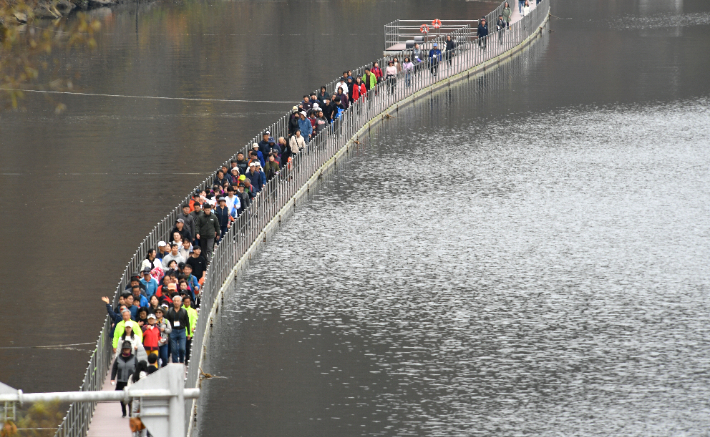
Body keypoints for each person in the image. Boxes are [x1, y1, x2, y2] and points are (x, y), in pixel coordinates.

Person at [110, 341, 137, 417]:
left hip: (130, 382)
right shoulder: (118, 358)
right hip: (120, 381)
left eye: (127, 349)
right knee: (121, 397)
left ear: (130, 349)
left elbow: (137, 369)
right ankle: (124, 411)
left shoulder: (134, 358)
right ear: (122, 349)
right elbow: (114, 368)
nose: (126, 350)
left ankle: (130, 410)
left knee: (130, 397)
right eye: (125, 349)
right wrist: (112, 378)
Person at [166, 295, 190, 363]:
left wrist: (188, 333)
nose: (176, 302)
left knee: (182, 348)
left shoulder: (184, 311)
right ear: (173, 302)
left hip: (182, 331)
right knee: (174, 349)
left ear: (180, 302)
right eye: (175, 301)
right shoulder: (170, 311)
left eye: (178, 301)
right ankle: (175, 363)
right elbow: (166, 322)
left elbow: (187, 322)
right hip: (172, 331)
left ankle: (182, 361)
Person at [182, 294, 198, 363]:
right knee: (182, 348)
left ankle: (187, 360)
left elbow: (194, 319)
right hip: (182, 331)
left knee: (188, 347)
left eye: (188, 302)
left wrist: (193, 327)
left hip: (189, 332)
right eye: (186, 302)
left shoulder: (193, 311)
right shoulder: (181, 310)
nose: (187, 303)